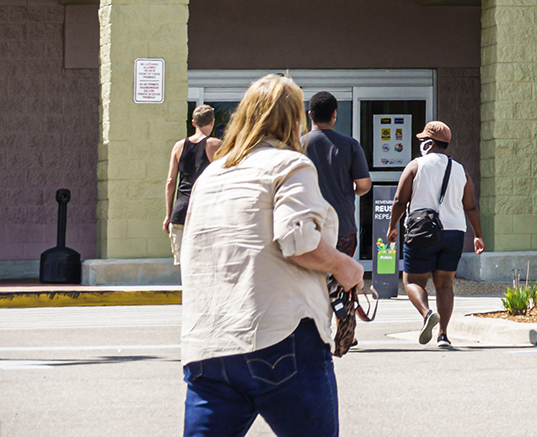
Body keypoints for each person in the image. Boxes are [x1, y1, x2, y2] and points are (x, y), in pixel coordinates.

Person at [179, 73, 363, 437]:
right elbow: (297, 240)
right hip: (280, 339)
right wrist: (346, 267)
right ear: (294, 120)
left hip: (209, 346)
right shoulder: (290, 165)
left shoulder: (210, 176)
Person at [387, 120, 484, 348]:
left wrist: (392, 226)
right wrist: (478, 234)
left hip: (422, 230)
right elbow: (470, 206)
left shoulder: (416, 166)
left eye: (422, 140)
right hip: (454, 232)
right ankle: (443, 335)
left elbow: (400, 199)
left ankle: (426, 313)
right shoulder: (461, 170)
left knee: (412, 280)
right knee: (445, 285)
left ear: (429, 144)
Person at [302, 92, 371, 258]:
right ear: (335, 114)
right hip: (343, 227)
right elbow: (364, 185)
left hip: (307, 225)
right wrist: (351, 190)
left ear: (310, 115)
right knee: (341, 279)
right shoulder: (350, 145)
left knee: (310, 279)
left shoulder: (297, 146)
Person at [163, 104, 222, 264]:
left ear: (193, 123)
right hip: (205, 210)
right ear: (212, 122)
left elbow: (170, 182)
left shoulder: (178, 146)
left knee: (184, 265)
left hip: (181, 210)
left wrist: (169, 214)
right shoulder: (216, 145)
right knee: (205, 263)